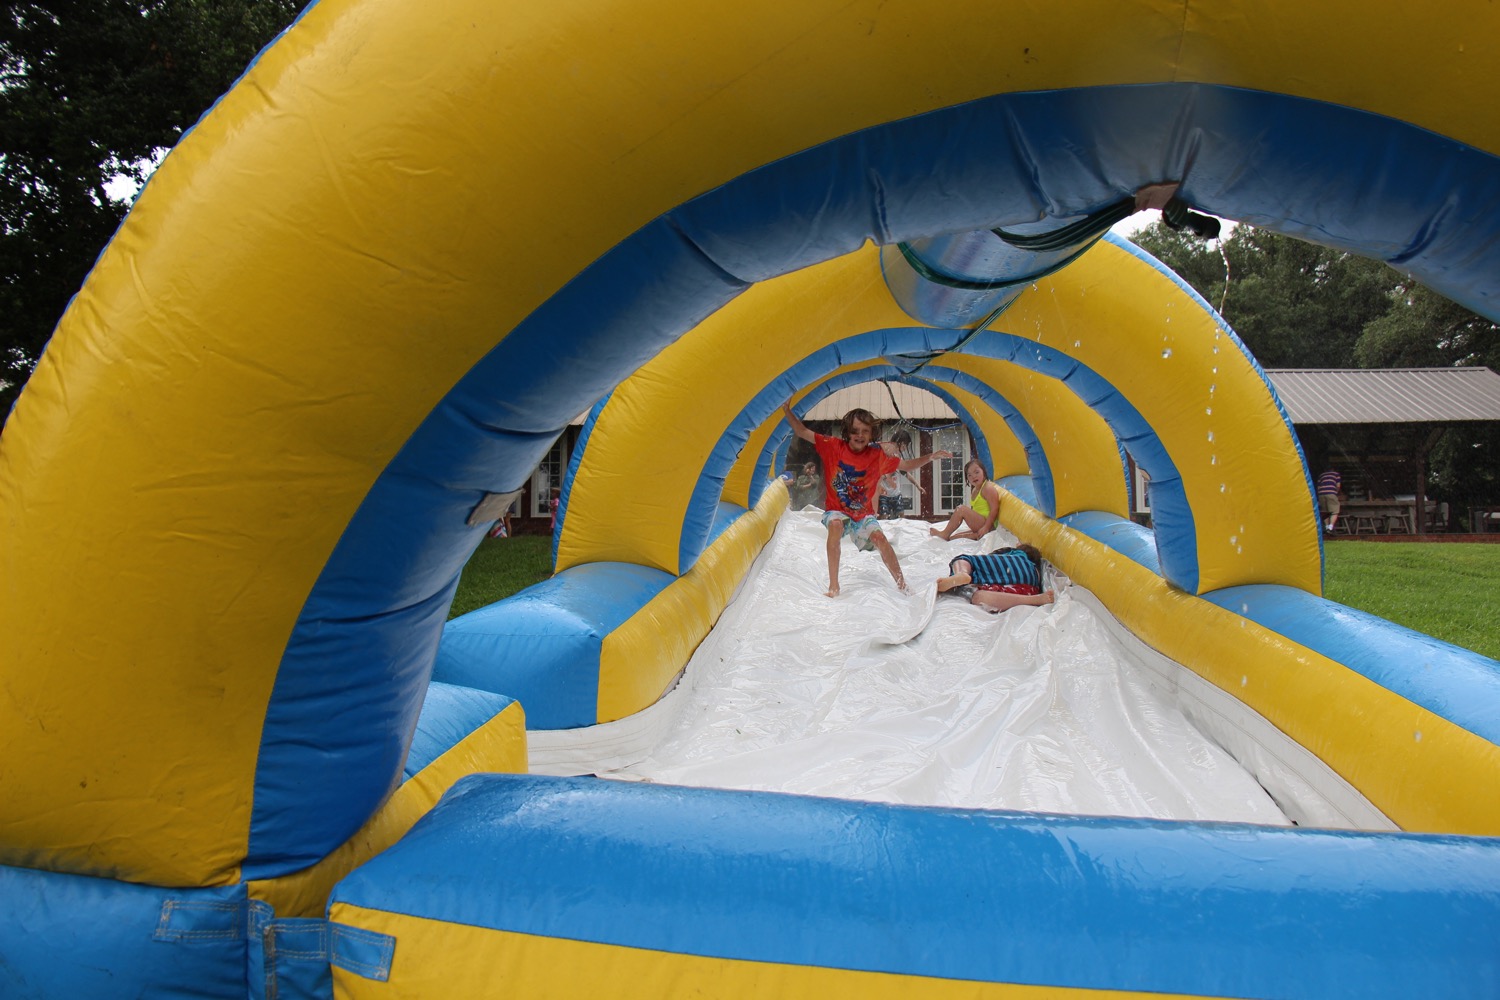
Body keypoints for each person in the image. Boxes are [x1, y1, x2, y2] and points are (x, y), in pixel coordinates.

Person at [782, 401, 951, 597]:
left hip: (863, 514)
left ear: (871, 434)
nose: (859, 435)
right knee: (835, 525)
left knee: (880, 538)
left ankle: (902, 583)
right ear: (847, 432)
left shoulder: (876, 455)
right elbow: (802, 431)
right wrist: (786, 410)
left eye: (865, 431)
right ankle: (834, 586)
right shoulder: (833, 446)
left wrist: (930, 457)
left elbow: (905, 465)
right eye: (855, 431)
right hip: (837, 509)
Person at [936, 545, 1055, 613]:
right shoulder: (1032, 565)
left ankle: (962, 573)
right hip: (1031, 581)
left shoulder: (1013, 552)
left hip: (1000, 567)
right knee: (979, 596)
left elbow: (993, 554)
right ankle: (1034, 599)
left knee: (963, 559)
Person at [930, 459, 1003, 540]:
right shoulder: (975, 490)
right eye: (969, 475)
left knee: (961, 509)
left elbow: (995, 509)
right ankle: (976, 535)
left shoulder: (987, 488)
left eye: (977, 472)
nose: (973, 476)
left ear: (984, 472)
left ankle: (944, 534)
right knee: (953, 538)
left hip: (988, 525)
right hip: (981, 524)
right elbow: (976, 510)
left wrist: (986, 527)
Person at [1317, 466, 1343, 535]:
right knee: (1334, 511)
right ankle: (1330, 528)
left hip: (1321, 494)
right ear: (1333, 469)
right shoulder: (1336, 474)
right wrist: (1336, 493)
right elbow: (1338, 486)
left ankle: (1326, 527)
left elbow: (1318, 487)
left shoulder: (1321, 475)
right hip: (1331, 493)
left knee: (1325, 512)